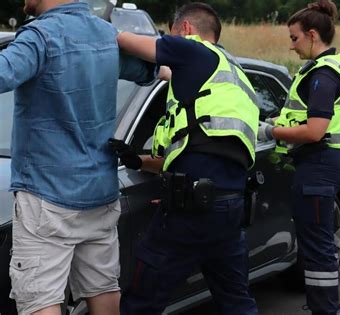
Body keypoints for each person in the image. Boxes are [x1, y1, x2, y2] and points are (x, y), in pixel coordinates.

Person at [0, 1, 157, 314]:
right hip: (100, 194)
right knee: (104, 291)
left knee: (39, 300)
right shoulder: (104, 34)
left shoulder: (39, 36)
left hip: (47, 195)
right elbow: (146, 71)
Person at [113, 2, 260, 314]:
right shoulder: (234, 75)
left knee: (143, 298)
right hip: (230, 204)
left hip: (192, 208)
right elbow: (195, 148)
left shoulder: (193, 50)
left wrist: (95, 28)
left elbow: (126, 41)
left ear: (187, 30)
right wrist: (138, 161)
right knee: (236, 301)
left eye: (173, 34)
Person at [258, 1, 340, 313]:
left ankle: (325, 308)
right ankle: (321, 304)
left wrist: (271, 133)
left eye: (294, 38)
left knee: (317, 244)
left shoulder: (323, 76)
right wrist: (279, 124)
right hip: (324, 163)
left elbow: (313, 131)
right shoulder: (331, 66)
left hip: (318, 164)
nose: (291, 45)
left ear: (313, 35)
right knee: (316, 242)